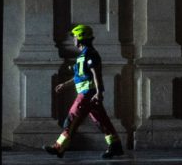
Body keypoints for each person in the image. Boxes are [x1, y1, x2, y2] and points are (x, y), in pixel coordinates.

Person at [43, 24, 125, 159]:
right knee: (101, 120)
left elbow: (96, 74)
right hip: (88, 93)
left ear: (80, 38)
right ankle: (115, 145)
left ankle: (59, 147)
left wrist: (99, 92)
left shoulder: (90, 54)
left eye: (75, 37)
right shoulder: (83, 55)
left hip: (87, 94)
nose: (73, 40)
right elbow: (79, 77)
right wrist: (65, 85)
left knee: (72, 117)